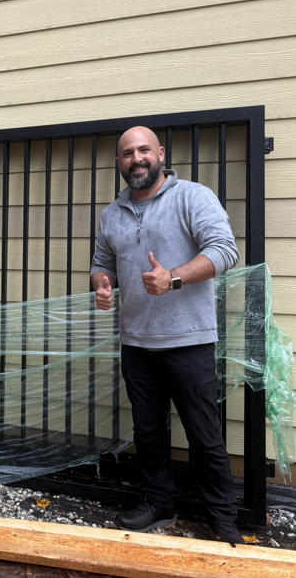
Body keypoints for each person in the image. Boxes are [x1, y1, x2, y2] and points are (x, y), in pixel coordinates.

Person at [90, 126, 242, 544]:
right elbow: (101, 261)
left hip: (188, 339)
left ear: (160, 153)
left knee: (203, 433)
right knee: (149, 432)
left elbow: (225, 250)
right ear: (118, 163)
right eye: (127, 153)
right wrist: (103, 284)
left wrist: (173, 277)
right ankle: (159, 505)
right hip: (136, 342)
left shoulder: (192, 196)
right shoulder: (111, 214)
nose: (136, 158)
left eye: (143, 150)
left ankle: (222, 517)